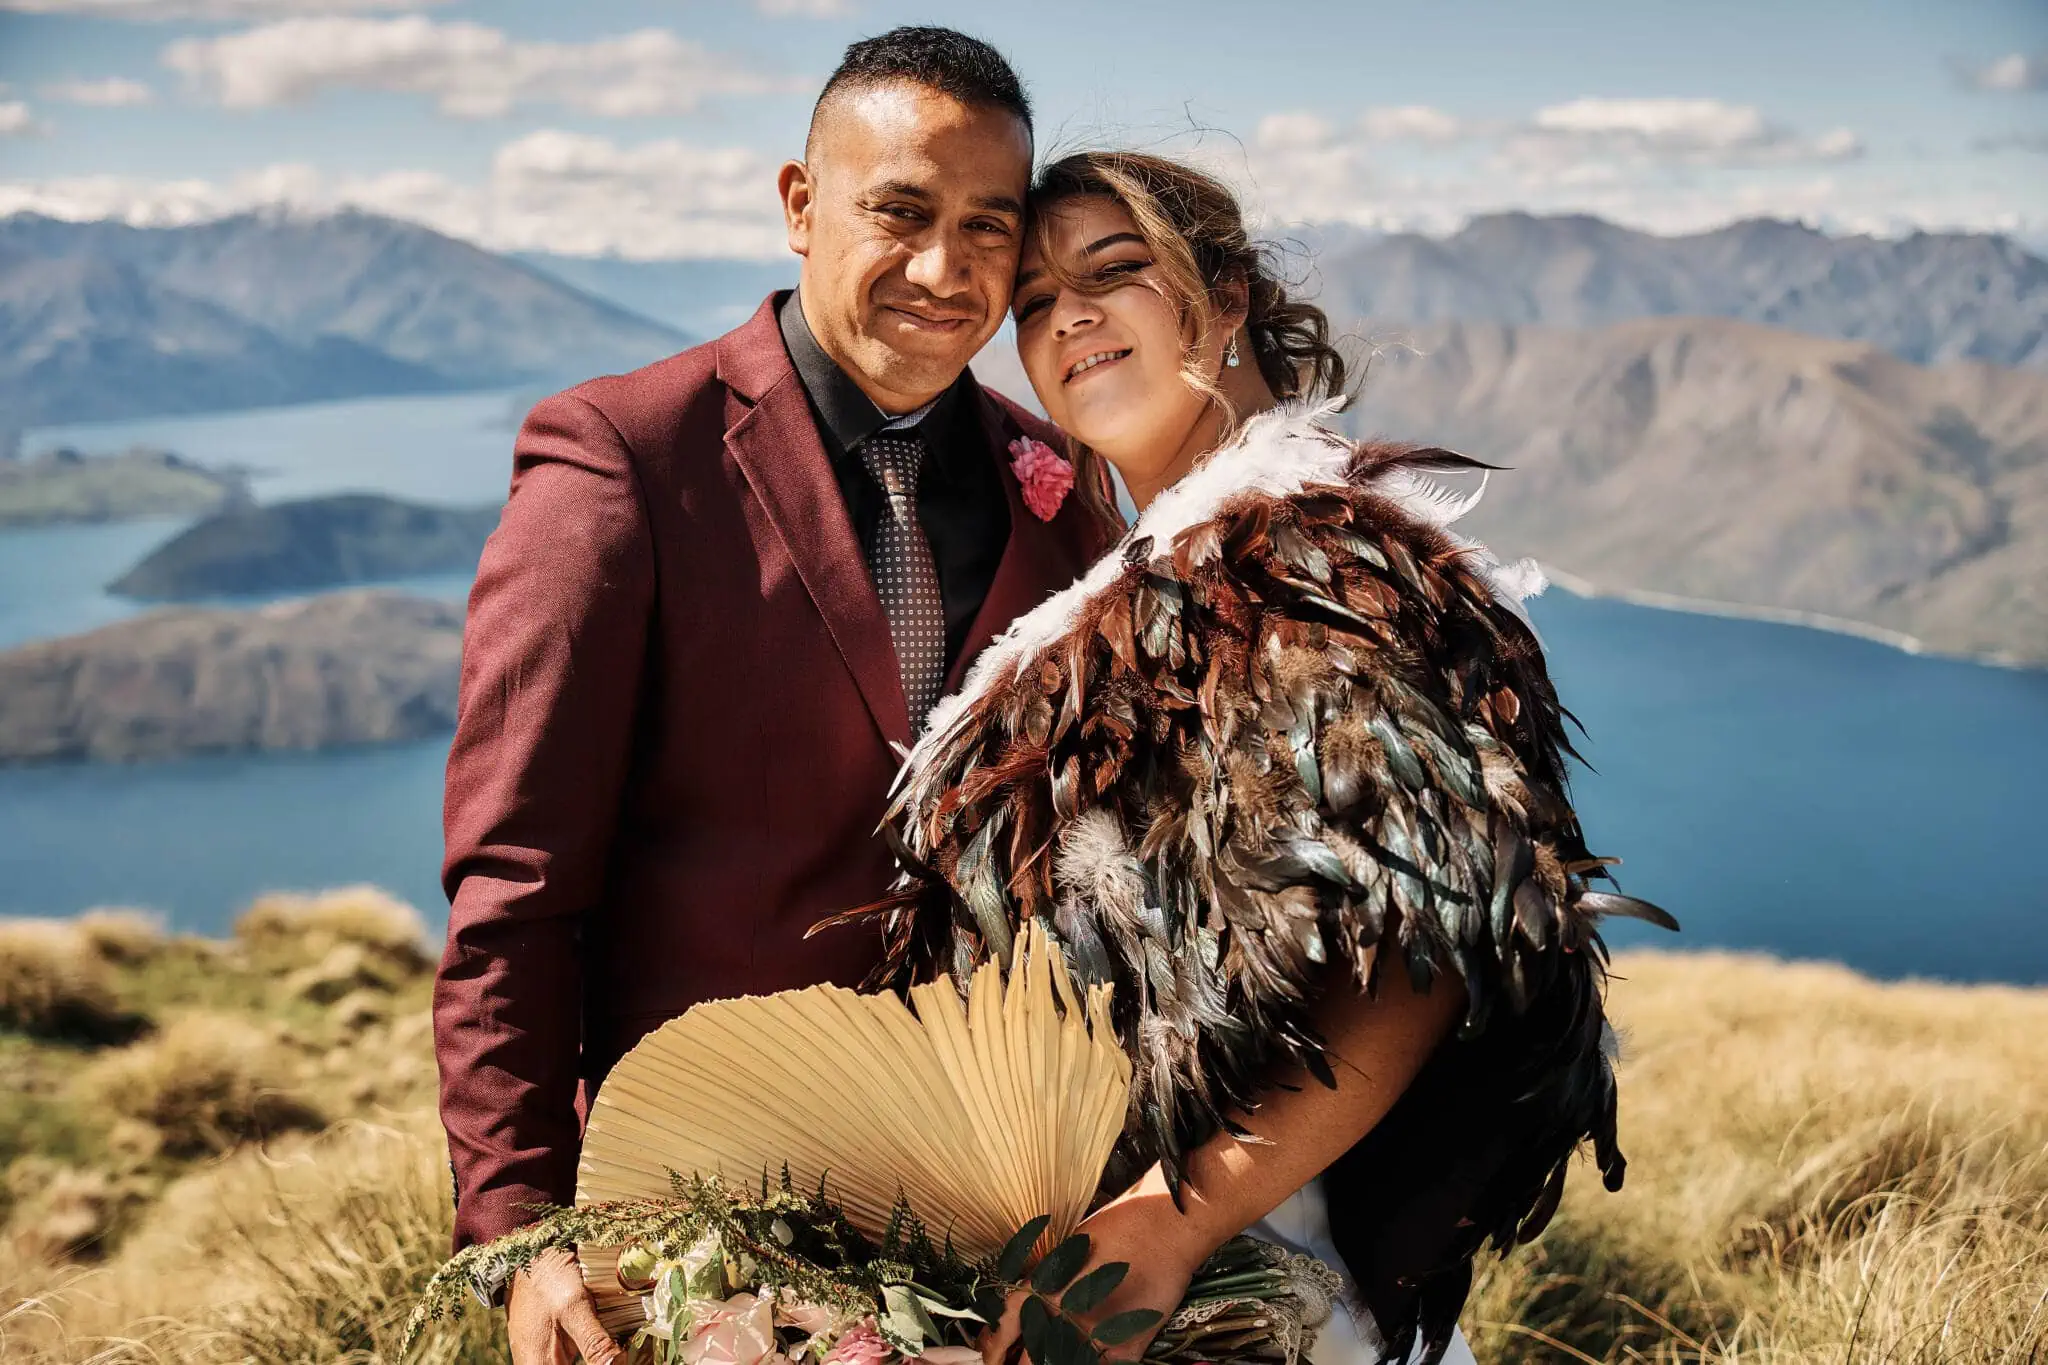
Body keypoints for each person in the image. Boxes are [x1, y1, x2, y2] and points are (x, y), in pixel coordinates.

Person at [844, 152, 1673, 1365]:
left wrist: (1169, 1221)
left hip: (1246, 1284)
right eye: (1030, 302)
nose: (1065, 315)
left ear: (1224, 295)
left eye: (1112, 272)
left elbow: (1423, 948)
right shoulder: (1161, 574)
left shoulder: (1307, 562)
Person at [432, 29, 1107, 1365]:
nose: (944, 270)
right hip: (704, 1211)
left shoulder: (1058, 476)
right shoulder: (623, 458)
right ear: (800, 204)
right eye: (899, 212)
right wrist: (520, 1223)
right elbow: (515, 887)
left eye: (988, 225)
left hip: (996, 1214)